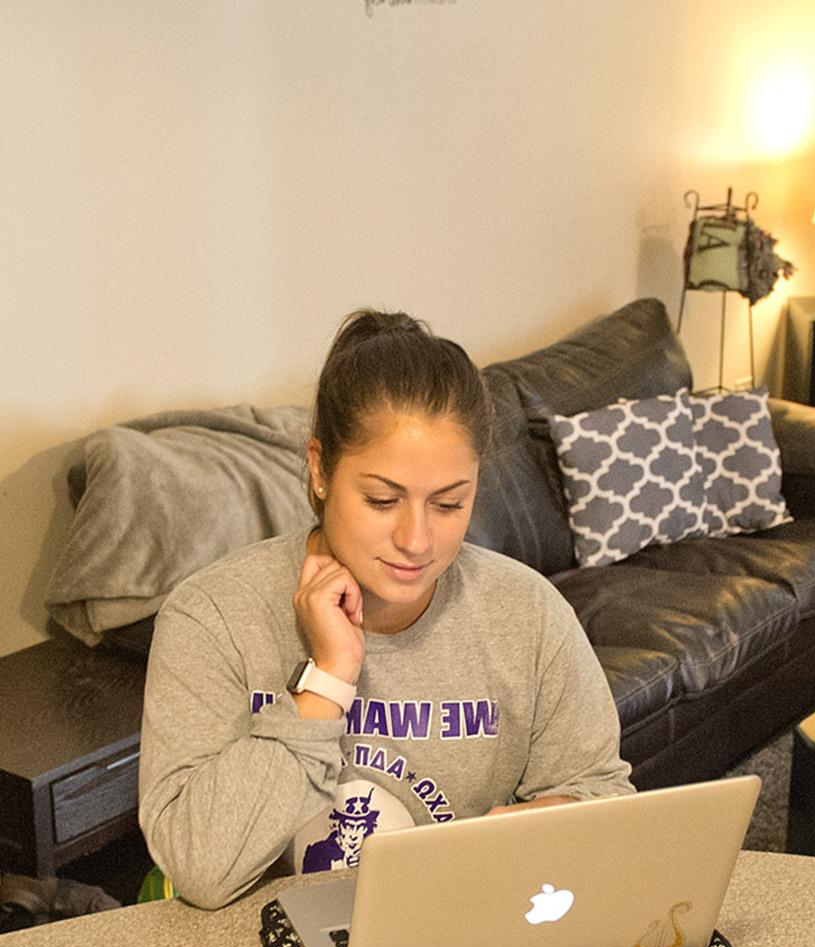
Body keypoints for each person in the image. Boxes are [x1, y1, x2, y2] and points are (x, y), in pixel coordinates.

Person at [139, 310, 634, 910]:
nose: (417, 540)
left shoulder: (529, 615)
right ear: (320, 469)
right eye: (382, 499)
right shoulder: (212, 617)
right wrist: (326, 683)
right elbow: (198, 865)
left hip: (456, 942)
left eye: (449, 504)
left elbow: (597, 793)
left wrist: (560, 821)